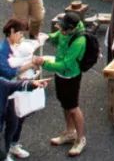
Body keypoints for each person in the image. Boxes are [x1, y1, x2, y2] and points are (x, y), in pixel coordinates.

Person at [34, 11, 87, 156]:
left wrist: (44, 63)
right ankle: (70, 132)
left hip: (71, 76)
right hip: (60, 75)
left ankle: (80, 139)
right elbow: (57, 36)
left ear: (72, 29)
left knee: (73, 107)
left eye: (64, 29)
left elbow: (66, 65)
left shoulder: (79, 41)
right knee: (65, 104)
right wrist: (47, 37)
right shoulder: (66, 31)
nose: (62, 31)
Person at [0, 17, 48, 160]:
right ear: (12, 31)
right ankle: (5, 152)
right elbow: (8, 73)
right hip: (7, 92)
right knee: (12, 121)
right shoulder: (3, 50)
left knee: (19, 118)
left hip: (17, 89)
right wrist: (30, 64)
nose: (22, 36)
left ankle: (13, 145)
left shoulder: (15, 45)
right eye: (20, 33)